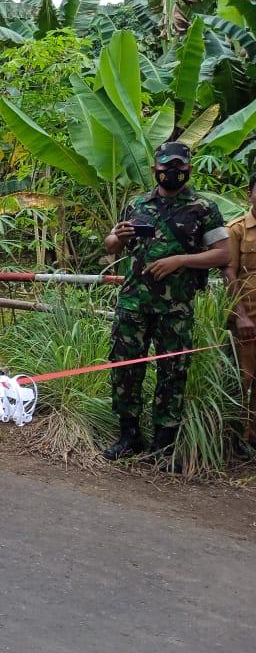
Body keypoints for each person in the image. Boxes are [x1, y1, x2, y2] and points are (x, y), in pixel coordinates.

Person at [102, 142, 229, 469]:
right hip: (134, 302)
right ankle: (128, 436)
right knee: (125, 368)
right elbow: (111, 247)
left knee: (173, 373)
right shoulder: (137, 203)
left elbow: (224, 254)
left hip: (176, 307)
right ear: (154, 168)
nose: (172, 171)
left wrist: (181, 260)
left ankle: (163, 444)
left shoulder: (204, 207)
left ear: (188, 167)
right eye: (165, 165)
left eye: (178, 165)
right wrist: (118, 236)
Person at [225, 173, 256, 459]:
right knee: (242, 380)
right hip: (248, 322)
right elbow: (230, 272)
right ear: (250, 194)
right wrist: (241, 316)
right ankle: (237, 440)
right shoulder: (236, 230)